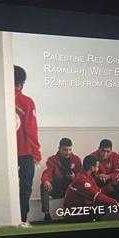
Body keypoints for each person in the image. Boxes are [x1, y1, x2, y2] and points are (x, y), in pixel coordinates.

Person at [14, 65, 41, 227]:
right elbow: (31, 129)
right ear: (22, 83)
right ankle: (22, 220)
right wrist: (37, 153)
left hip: (6, 153)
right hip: (25, 153)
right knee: (25, 188)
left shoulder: (2, 100)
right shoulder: (27, 102)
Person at [63, 155, 119, 222]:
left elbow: (99, 192)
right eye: (97, 166)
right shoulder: (81, 179)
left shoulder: (88, 178)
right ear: (92, 168)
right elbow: (96, 195)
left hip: (80, 210)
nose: (98, 168)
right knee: (102, 204)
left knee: (102, 203)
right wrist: (113, 202)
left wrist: (112, 185)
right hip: (73, 214)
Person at [40, 137, 82, 222]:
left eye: (70, 150)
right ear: (59, 148)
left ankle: (80, 214)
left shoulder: (76, 159)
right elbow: (47, 173)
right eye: (65, 150)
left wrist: (75, 177)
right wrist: (46, 181)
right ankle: (47, 214)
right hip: (58, 188)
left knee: (82, 184)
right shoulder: (52, 160)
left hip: (71, 188)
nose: (68, 152)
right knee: (43, 185)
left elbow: (82, 175)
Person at [89, 139, 119, 205]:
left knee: (118, 183)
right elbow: (89, 174)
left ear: (111, 150)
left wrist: (108, 176)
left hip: (111, 180)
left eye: (108, 151)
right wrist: (99, 177)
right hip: (97, 181)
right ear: (99, 149)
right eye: (103, 151)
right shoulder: (92, 156)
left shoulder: (115, 156)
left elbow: (117, 172)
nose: (105, 154)